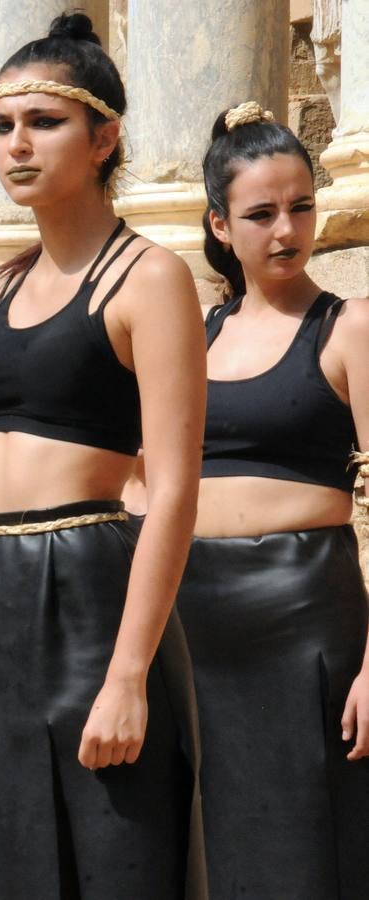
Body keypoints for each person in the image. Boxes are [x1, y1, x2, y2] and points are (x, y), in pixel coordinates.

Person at [0, 13, 207, 898]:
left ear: (104, 136)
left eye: (43, 123)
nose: (15, 145)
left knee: (112, 858)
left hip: (88, 590)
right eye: (2, 126)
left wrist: (126, 676)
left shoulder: (148, 277)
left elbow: (173, 491)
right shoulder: (4, 283)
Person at [175, 101, 369, 899]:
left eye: (300, 207)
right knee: (204, 849)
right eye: (260, 214)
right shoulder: (196, 333)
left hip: (305, 618)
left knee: (312, 847)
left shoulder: (350, 325)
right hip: (193, 623)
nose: (286, 230)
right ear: (221, 226)